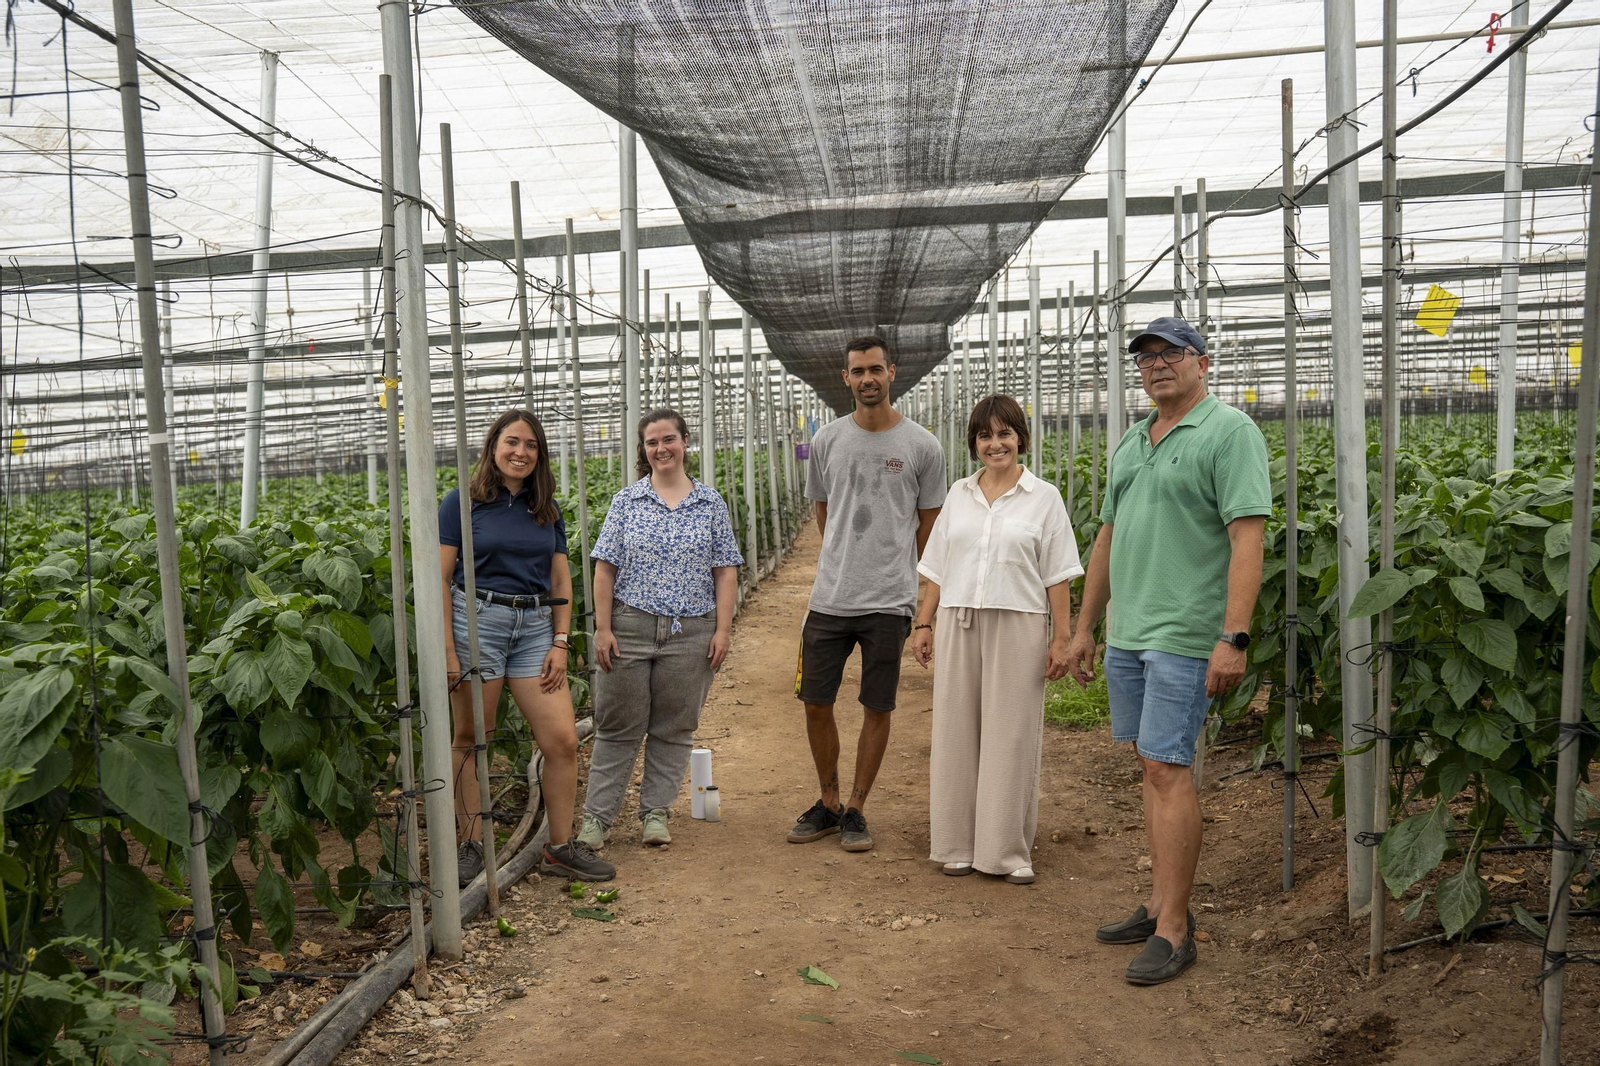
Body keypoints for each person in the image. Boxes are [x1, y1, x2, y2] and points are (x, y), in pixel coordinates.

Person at [1065, 317, 1269, 985]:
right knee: (1151, 767)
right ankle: (1157, 904)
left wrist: (1232, 636)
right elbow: (1106, 538)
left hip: (1186, 635)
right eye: (1146, 356)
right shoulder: (1131, 440)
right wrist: (1085, 626)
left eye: (1171, 353)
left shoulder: (1229, 432)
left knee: (1167, 769)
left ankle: (1177, 930)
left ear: (1202, 362)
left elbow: (1247, 539)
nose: (1157, 365)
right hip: (1131, 633)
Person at [439, 409, 615, 885]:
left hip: (535, 626)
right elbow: (439, 578)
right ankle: (471, 844)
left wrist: (560, 641)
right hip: (478, 623)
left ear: (540, 455)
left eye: (531, 445)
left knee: (560, 740)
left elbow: (561, 577)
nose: (521, 452)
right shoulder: (462, 503)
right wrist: (450, 653)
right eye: (512, 442)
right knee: (475, 736)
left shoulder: (547, 510)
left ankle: (559, 848)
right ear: (493, 447)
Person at [910, 394, 1081, 885]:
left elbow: (1059, 574)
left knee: (1011, 735)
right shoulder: (959, 496)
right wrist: (925, 623)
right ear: (974, 444)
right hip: (960, 619)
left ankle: (1006, 851)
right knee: (956, 732)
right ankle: (958, 844)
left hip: (1019, 622)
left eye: (1004, 433)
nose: (995, 443)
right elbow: (937, 568)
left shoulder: (1043, 497)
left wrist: (1062, 637)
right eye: (985, 435)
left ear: (1020, 438)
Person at [790, 334, 946, 853]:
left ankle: (856, 807)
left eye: (875, 369)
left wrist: (921, 597)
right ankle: (828, 801)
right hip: (830, 597)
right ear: (846, 378)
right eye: (858, 371)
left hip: (889, 599)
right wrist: (844, 555)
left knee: (877, 706)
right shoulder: (828, 440)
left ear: (892, 372)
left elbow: (929, 526)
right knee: (815, 702)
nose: (867, 379)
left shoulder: (922, 446)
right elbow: (822, 512)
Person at [579, 408, 743, 849]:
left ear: (685, 441)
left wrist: (722, 630)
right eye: (652, 442)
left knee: (674, 726)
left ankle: (656, 813)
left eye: (668, 439)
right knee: (617, 725)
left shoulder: (710, 503)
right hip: (630, 626)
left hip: (692, 629)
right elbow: (604, 569)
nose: (661, 449)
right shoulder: (626, 501)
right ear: (644, 449)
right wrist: (603, 627)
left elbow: (725, 570)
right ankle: (596, 819)